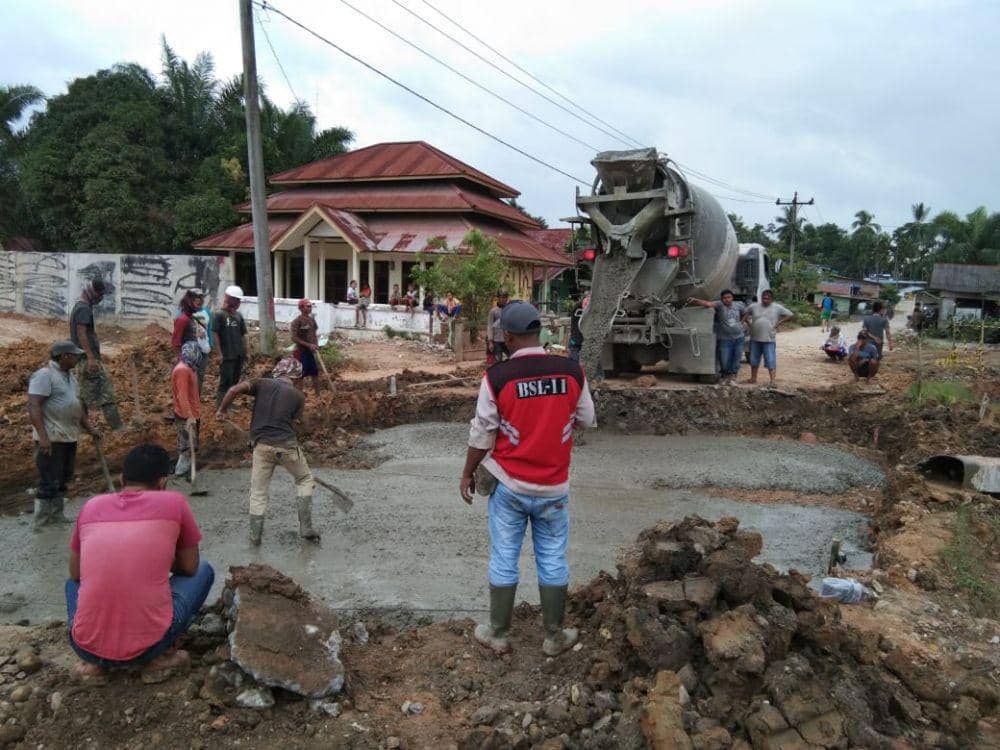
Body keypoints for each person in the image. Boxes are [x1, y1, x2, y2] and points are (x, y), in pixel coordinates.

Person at [461, 301, 596, 656]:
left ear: (507, 336)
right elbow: (587, 419)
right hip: (554, 487)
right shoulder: (572, 371)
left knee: (504, 556)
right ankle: (554, 636)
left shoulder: (497, 377)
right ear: (540, 331)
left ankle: (498, 633)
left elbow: (482, 433)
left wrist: (467, 472)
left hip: (510, 485)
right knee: (552, 557)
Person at [65, 444, 214, 683]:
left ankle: (93, 666)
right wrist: (159, 560)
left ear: (121, 479)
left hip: (86, 648)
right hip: (151, 646)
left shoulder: (91, 506)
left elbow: (75, 573)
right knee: (204, 571)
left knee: (72, 583)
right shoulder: (174, 503)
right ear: (163, 483)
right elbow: (190, 567)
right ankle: (158, 659)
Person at [217, 357, 320, 546]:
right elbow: (296, 423)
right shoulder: (298, 396)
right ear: (295, 377)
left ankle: (255, 537)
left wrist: (222, 410)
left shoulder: (261, 383)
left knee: (258, 491)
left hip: (261, 446)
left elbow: (233, 390)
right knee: (305, 479)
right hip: (286, 446)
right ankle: (306, 528)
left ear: (277, 372)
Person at [27, 341, 99, 530]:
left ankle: (57, 515)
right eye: (74, 356)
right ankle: (42, 521)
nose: (77, 359)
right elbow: (34, 405)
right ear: (64, 356)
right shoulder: (45, 375)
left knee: (63, 477)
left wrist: (90, 428)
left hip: (68, 436)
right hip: (52, 438)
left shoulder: (70, 377)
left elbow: (76, 407)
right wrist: (43, 437)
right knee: (48, 479)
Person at [70, 278, 123, 430]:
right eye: (100, 294)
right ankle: (118, 428)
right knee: (107, 393)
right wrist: (91, 357)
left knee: (81, 396)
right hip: (87, 360)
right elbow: (81, 333)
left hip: (82, 359)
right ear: (93, 292)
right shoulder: (83, 309)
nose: (101, 298)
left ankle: (81, 427)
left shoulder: (80, 306)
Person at [688, 289, 746, 384]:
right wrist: (695, 300)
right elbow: (708, 304)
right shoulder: (719, 305)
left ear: (732, 297)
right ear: (721, 299)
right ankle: (724, 377)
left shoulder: (739, 305)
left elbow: (745, 313)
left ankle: (732, 377)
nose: (727, 299)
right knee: (724, 359)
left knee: (736, 358)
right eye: (725, 298)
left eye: (729, 297)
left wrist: (741, 323)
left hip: (739, 338)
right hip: (725, 339)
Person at [741, 290, 794, 385]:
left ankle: (772, 381)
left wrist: (778, 323)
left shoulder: (777, 307)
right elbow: (745, 313)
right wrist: (748, 323)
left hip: (769, 339)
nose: (765, 300)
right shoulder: (754, 306)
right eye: (764, 298)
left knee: (770, 360)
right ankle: (753, 379)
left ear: (772, 299)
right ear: (761, 298)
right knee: (753, 360)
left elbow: (790, 314)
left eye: (768, 298)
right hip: (755, 338)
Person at [212, 285, 247, 408]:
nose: (238, 303)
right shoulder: (219, 315)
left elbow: (243, 335)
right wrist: (219, 353)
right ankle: (220, 406)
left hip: (238, 354)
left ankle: (229, 404)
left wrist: (246, 352)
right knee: (225, 381)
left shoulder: (239, 316)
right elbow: (215, 334)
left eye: (239, 300)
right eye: (236, 300)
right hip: (227, 355)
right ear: (229, 298)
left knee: (234, 381)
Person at [172, 342, 202, 477]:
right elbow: (182, 396)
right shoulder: (182, 370)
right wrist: (189, 416)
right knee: (187, 446)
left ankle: (188, 469)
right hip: (185, 415)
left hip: (193, 412)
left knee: (192, 444)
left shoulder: (190, 367)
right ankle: (181, 472)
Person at [290, 299, 321, 396]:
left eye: (310, 306)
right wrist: (308, 345)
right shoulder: (297, 321)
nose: (310, 308)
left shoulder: (312, 320)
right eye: (308, 306)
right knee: (300, 374)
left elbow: (314, 333)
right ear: (301, 308)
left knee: (314, 372)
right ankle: (299, 396)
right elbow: (294, 338)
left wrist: (316, 344)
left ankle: (318, 396)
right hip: (300, 351)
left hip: (310, 352)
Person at [487, 290, 510, 364]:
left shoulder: (510, 310)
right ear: (497, 298)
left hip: (508, 341)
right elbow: (490, 326)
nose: (502, 299)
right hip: (497, 341)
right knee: (497, 363)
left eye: (504, 297)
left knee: (513, 359)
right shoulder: (493, 311)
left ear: (507, 298)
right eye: (500, 297)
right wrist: (490, 341)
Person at [567, 293, 589, 363]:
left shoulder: (578, 307)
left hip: (580, 339)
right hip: (576, 339)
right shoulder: (577, 308)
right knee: (574, 360)